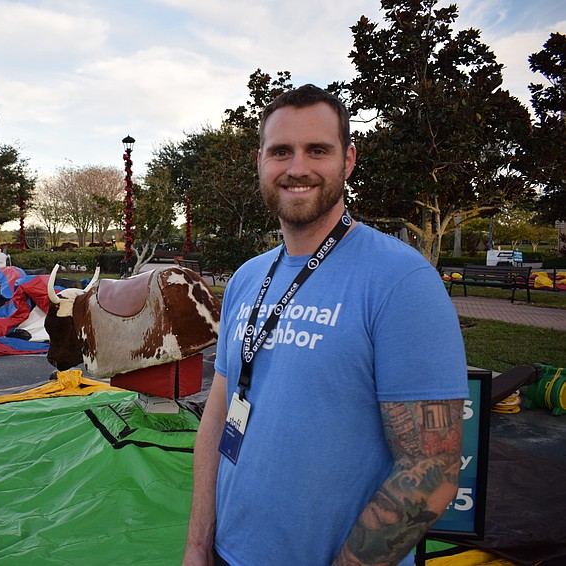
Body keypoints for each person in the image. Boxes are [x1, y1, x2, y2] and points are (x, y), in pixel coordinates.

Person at [183, 85, 468, 566]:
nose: (297, 168)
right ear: (260, 162)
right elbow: (218, 414)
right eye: (281, 152)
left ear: (348, 159)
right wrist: (197, 544)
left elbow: (431, 468)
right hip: (229, 551)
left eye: (317, 149)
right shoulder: (248, 278)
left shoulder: (402, 281)